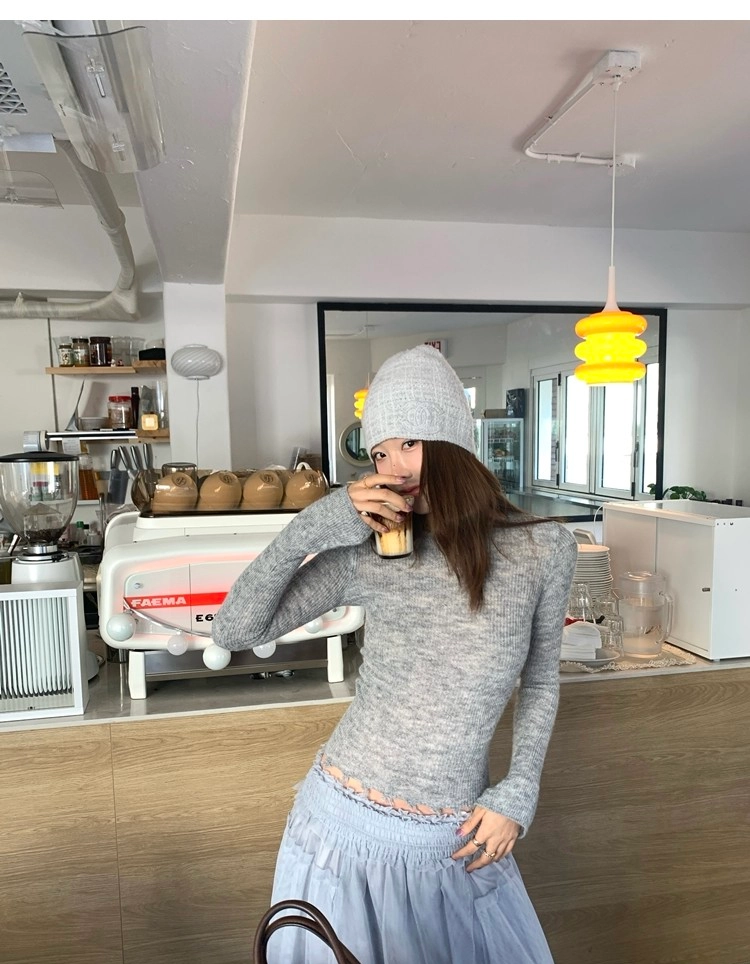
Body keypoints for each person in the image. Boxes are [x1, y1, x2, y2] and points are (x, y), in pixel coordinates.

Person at [213, 345, 578, 964]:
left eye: (408, 443)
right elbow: (233, 629)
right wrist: (312, 526)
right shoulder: (370, 552)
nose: (393, 467)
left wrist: (519, 791)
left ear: (452, 443)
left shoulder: (546, 549)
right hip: (342, 827)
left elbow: (540, 680)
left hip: (455, 837)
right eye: (379, 453)